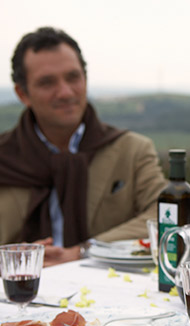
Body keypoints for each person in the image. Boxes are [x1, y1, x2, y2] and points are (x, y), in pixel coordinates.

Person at [0, 27, 166, 266]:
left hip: (109, 295)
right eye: (47, 82)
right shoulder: (4, 157)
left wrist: (83, 251)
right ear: (22, 93)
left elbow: (165, 215)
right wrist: (15, 260)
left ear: (85, 79)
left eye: (73, 77)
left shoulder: (132, 151)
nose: (66, 92)